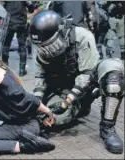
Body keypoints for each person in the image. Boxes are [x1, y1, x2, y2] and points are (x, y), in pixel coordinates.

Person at [29, 10, 124, 154]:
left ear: (62, 32)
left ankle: (107, 128)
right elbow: (40, 78)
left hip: (89, 81)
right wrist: (38, 104)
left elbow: (87, 74)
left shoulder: (82, 36)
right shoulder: (43, 47)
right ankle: (79, 108)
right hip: (65, 88)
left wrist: (68, 101)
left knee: (113, 76)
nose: (47, 52)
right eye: (43, 48)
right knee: (53, 119)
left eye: (50, 46)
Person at [1, 1, 35, 76]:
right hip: (21, 23)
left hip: (9, 23)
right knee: (22, 46)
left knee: (6, 45)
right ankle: (22, 70)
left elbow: (2, 8)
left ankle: (5, 68)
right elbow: (31, 9)